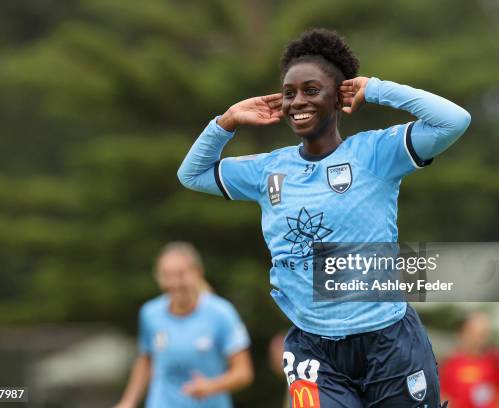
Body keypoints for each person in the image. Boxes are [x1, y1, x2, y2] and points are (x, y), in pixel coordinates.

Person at [178, 28, 471, 407]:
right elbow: (193, 174)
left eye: (311, 90)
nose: (297, 101)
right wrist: (227, 121)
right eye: (289, 93)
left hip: (390, 342)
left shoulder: (377, 153)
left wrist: (377, 88)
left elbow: (454, 120)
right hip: (313, 349)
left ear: (338, 97)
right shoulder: (268, 169)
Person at [114, 242, 253, 408]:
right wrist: (128, 402)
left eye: (180, 274)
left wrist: (211, 386)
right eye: (166, 275)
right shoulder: (150, 314)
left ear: (197, 273)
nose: (174, 283)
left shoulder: (221, 313)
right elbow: (145, 361)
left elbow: (243, 373)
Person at [440, 311, 499, 408]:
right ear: (462, 333)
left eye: (484, 333)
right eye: (475, 333)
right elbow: (443, 396)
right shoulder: (449, 363)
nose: (479, 339)